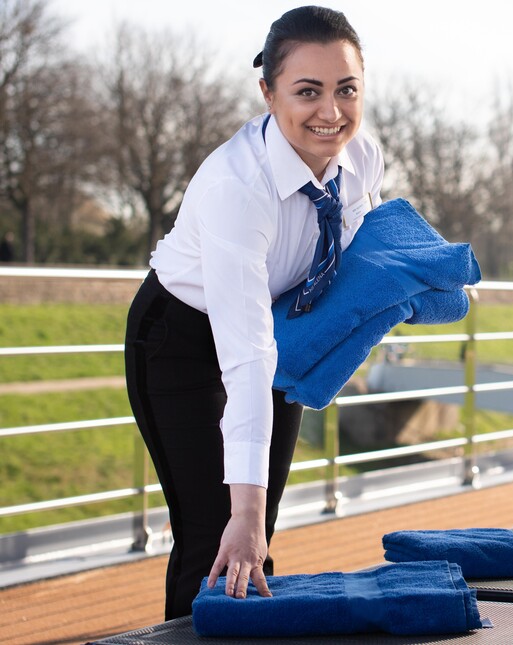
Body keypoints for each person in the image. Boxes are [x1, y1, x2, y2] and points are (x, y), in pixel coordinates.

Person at [124, 6, 384, 620]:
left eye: (347, 90)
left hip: (276, 329)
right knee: (218, 536)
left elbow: (362, 251)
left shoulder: (363, 159)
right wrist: (242, 515)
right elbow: (244, 356)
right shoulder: (236, 188)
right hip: (182, 340)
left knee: (256, 540)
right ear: (267, 93)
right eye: (307, 91)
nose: (331, 111)